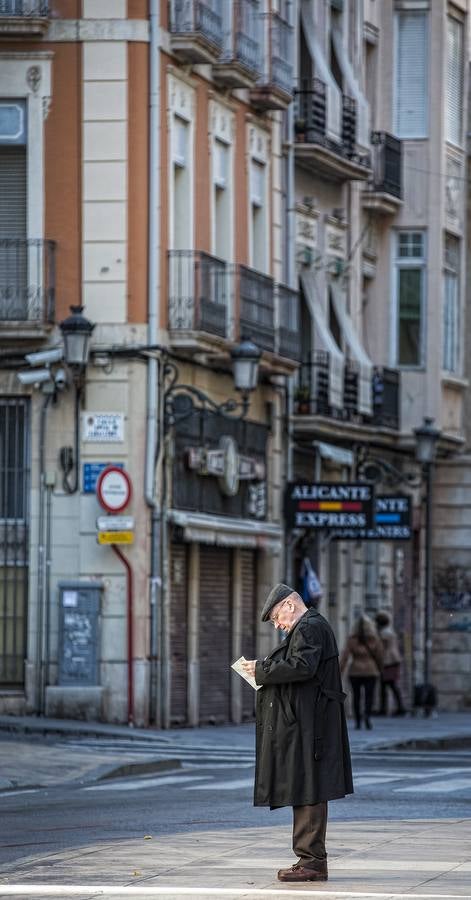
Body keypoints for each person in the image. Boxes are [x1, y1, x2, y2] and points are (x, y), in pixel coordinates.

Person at [241, 583, 353, 884]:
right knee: (306, 787)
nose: (278, 624)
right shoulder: (308, 627)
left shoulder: (309, 627)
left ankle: (312, 862)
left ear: (290, 605)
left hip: (311, 723)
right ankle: (310, 859)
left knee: (310, 789)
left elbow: (302, 666)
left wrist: (262, 669)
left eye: (277, 617)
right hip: (308, 720)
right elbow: (301, 666)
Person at [339, 613, 383, 730]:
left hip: (355, 671)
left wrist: (340, 670)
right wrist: (380, 669)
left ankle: (358, 721)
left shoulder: (352, 639)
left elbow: (345, 656)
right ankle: (367, 717)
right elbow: (379, 656)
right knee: (369, 696)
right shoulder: (374, 639)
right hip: (371, 670)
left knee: (356, 697)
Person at [375, 610, 406, 716]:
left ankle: (390, 708)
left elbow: (381, 649)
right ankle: (397, 707)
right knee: (391, 685)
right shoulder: (390, 631)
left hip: (388, 661)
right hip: (394, 660)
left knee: (388, 685)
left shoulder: (384, 633)